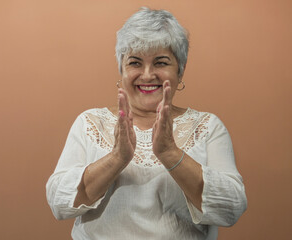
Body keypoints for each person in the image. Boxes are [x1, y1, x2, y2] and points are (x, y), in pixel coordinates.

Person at [46, 7, 247, 240]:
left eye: (161, 63)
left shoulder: (208, 127)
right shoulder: (90, 123)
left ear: (179, 72)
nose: (148, 75)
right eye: (135, 63)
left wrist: (170, 153)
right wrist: (117, 158)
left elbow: (231, 208)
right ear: (121, 70)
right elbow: (59, 204)